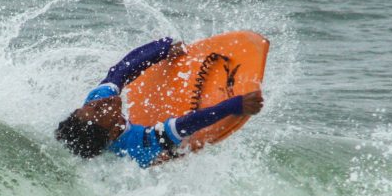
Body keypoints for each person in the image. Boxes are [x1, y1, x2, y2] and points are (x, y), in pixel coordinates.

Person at [55, 37, 263, 167]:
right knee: (165, 157)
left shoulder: (95, 101)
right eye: (98, 109)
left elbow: (122, 69)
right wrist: (235, 105)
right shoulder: (136, 145)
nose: (100, 102)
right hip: (138, 158)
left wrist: (162, 49)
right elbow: (189, 124)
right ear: (109, 130)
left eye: (90, 105)